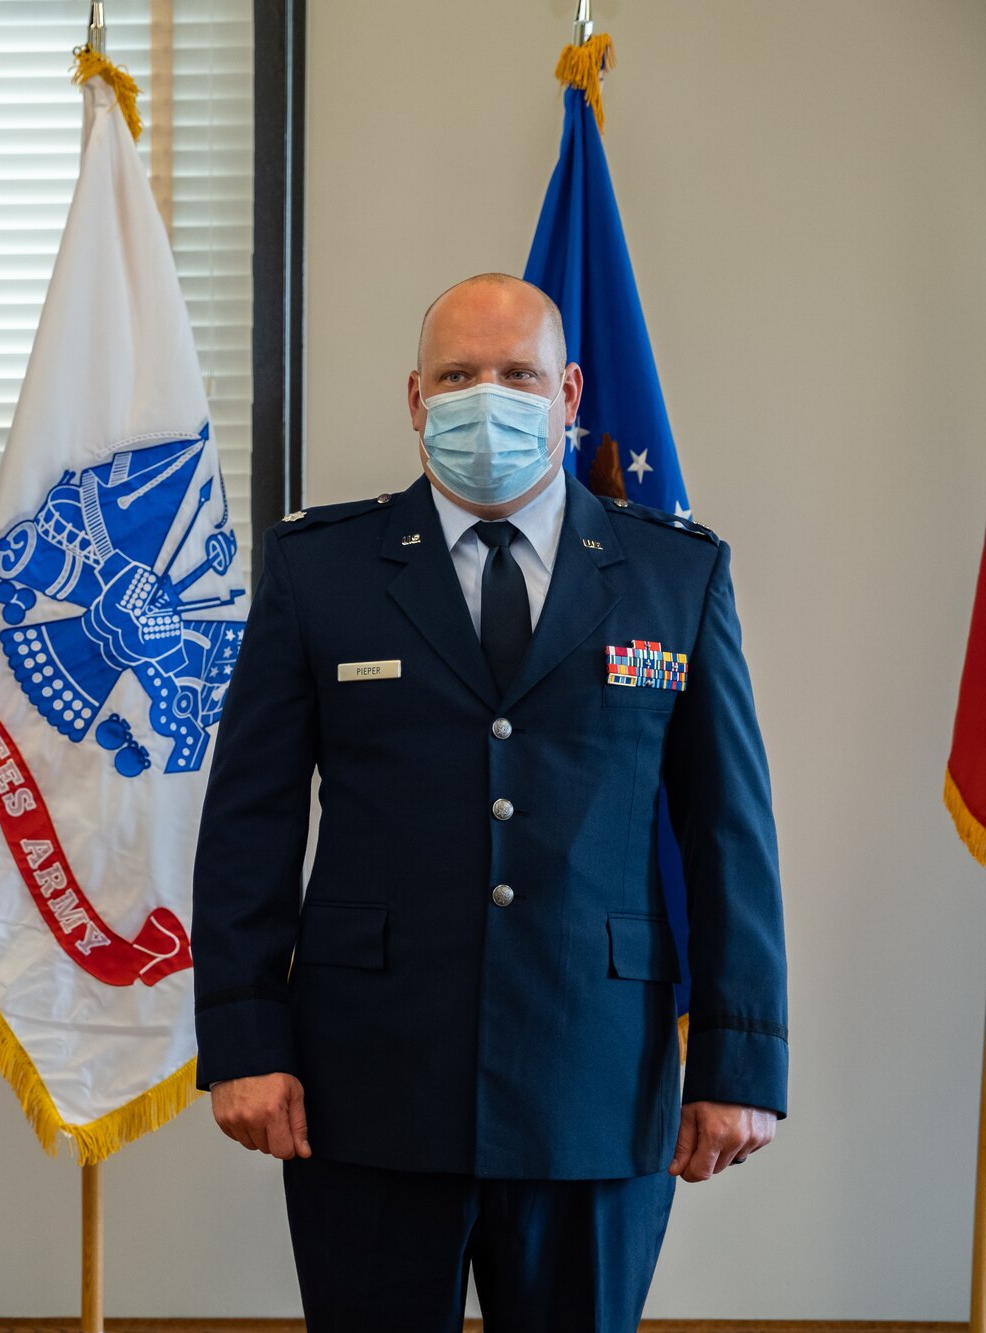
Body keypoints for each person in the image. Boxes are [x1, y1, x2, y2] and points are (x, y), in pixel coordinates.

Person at [192, 273, 787, 1330]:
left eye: (514, 374)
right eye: (458, 375)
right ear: (415, 399)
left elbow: (726, 830)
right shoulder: (319, 570)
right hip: (367, 1081)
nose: (486, 398)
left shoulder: (671, 574)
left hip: (593, 1080)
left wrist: (740, 1058)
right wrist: (244, 1040)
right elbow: (249, 820)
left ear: (565, 393)